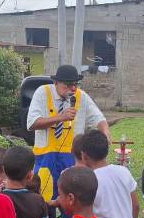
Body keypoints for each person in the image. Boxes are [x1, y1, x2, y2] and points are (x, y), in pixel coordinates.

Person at [27, 64, 110, 205]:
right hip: (46, 158)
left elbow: (98, 118)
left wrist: (105, 133)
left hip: (71, 158)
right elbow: (32, 123)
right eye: (68, 85)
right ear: (56, 83)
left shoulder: (81, 96)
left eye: (75, 84)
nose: (73, 89)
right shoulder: (42, 93)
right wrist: (60, 117)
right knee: (44, 200)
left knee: (72, 201)